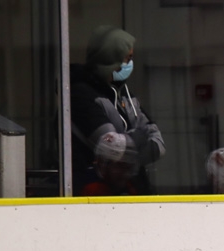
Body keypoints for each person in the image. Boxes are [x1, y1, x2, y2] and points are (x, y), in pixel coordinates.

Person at [70, 25, 165, 196]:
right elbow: (114, 151)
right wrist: (140, 137)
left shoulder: (124, 94)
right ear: (110, 58)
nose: (130, 64)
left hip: (130, 190)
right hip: (93, 193)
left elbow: (158, 144)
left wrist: (127, 148)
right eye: (127, 58)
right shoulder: (80, 96)